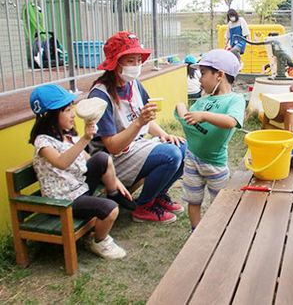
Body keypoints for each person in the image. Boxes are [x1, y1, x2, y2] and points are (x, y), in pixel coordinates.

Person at [88, 31, 186, 224]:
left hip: (134, 148)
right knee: (170, 155)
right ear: (115, 63)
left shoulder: (133, 84)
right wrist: (138, 123)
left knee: (184, 147)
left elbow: (147, 119)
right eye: (130, 61)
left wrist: (164, 135)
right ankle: (145, 207)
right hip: (113, 161)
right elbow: (113, 147)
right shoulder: (100, 95)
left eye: (138, 60)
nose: (136, 66)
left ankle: (158, 196)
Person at [29, 84, 128, 259]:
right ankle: (98, 242)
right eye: (67, 110)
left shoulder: (68, 135)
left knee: (102, 158)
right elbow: (61, 162)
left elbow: (90, 160)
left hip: (78, 186)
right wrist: (85, 138)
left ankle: (114, 195)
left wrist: (115, 179)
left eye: (71, 109)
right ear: (47, 115)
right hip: (63, 199)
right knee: (111, 210)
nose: (73, 114)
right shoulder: (42, 142)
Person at [174, 49, 245, 231]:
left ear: (219, 75)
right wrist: (181, 108)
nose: (200, 79)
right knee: (193, 200)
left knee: (220, 203)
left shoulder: (235, 100)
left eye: (203, 73)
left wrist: (204, 116)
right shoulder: (202, 101)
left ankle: (219, 233)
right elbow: (188, 122)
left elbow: (231, 122)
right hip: (192, 159)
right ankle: (195, 232)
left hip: (215, 164)